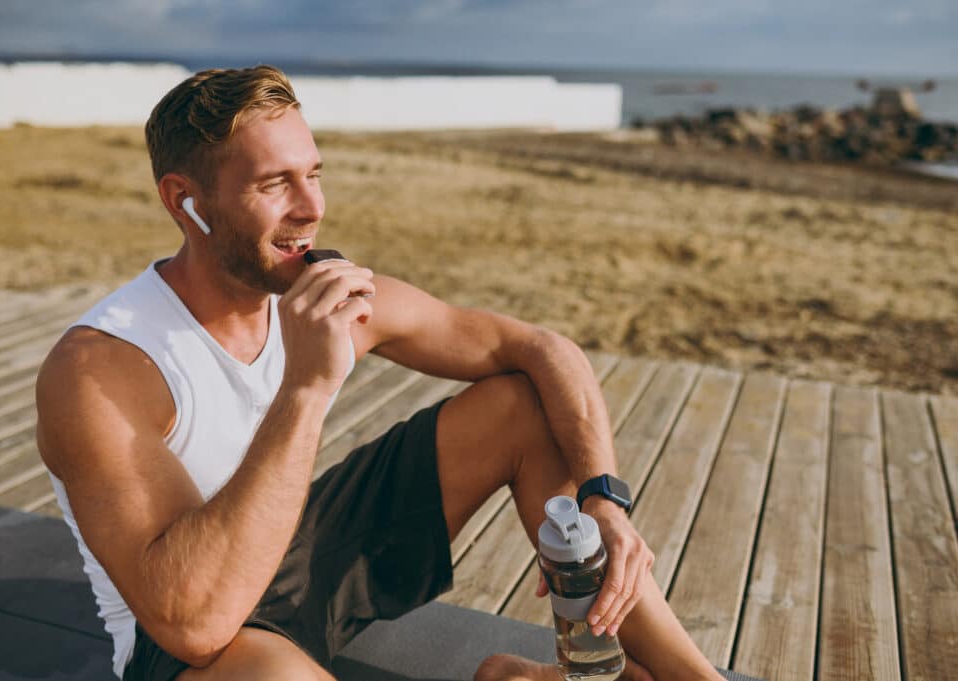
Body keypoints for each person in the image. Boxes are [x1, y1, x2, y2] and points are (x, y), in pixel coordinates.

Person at [36, 65, 722, 681]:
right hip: (191, 631)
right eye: (275, 184)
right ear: (185, 201)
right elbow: (194, 620)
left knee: (521, 403)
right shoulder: (101, 369)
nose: (312, 207)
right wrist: (306, 384)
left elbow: (542, 346)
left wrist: (604, 496)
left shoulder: (327, 291)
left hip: (301, 549)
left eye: (314, 173)